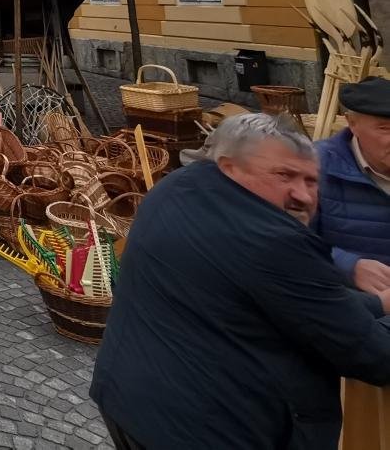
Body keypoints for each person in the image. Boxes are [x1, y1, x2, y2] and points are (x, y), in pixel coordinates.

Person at [90, 112, 390, 450]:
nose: (304, 196)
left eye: (311, 181)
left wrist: (379, 302)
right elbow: (372, 355)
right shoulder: (272, 239)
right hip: (210, 430)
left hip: (128, 400)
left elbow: (296, 303)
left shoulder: (177, 187)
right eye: (284, 176)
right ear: (229, 167)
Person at [313, 79, 390, 447]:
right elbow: (286, 249)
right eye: (385, 128)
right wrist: (348, 266)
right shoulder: (315, 167)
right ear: (352, 123)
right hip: (352, 330)